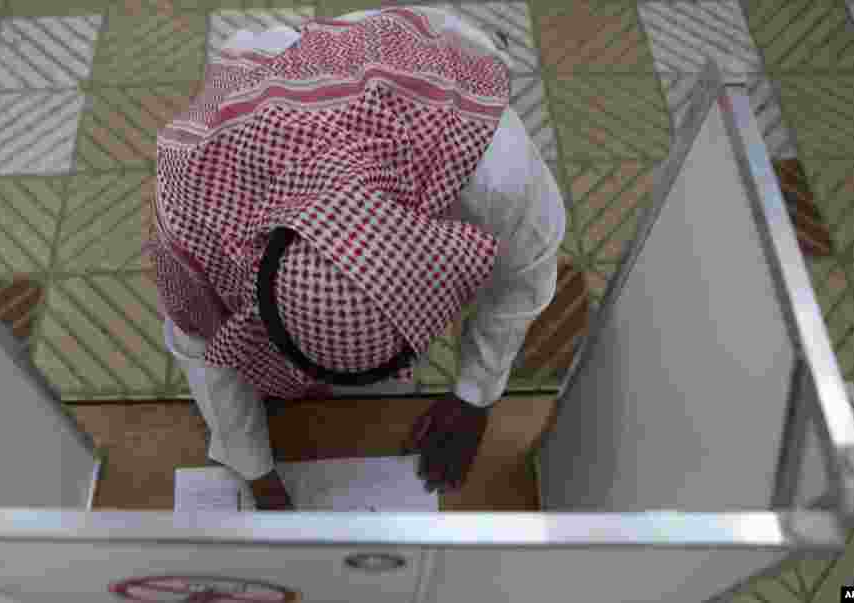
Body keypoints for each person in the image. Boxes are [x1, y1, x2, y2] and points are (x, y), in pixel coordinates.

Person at [149, 6, 566, 510]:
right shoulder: (193, 211)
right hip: (275, 84)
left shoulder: (498, 177)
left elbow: (523, 283)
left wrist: (475, 395)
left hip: (399, 66)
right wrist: (255, 473)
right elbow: (202, 348)